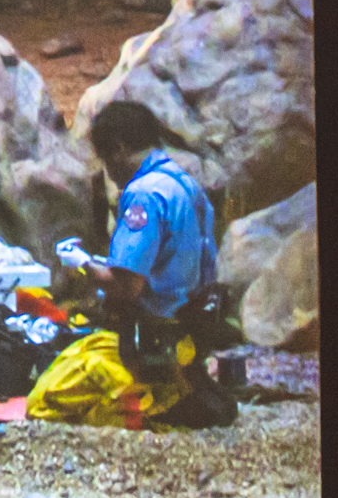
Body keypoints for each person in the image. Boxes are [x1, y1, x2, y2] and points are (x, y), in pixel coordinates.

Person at [83, 100, 235, 427]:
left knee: (55, 387)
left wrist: (83, 267)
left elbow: (127, 286)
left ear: (118, 149)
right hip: (194, 318)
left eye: (106, 159)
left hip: (157, 326)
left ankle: (161, 393)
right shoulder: (184, 182)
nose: (108, 171)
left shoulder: (143, 194)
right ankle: (187, 385)